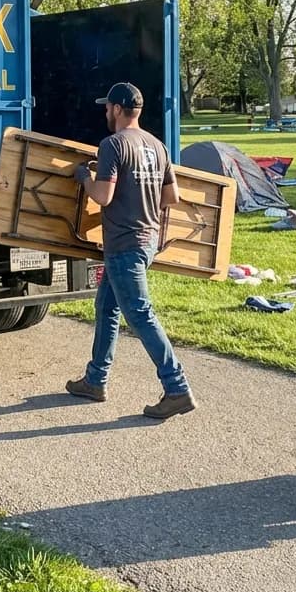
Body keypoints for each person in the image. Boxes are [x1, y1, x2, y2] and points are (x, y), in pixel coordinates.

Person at [65, 82, 196, 420]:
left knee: (139, 314)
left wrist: (84, 177)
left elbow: (104, 197)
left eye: (108, 108)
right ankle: (95, 380)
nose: (106, 113)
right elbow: (172, 198)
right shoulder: (157, 145)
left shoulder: (113, 145)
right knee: (107, 307)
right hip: (146, 241)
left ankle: (177, 388)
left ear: (119, 109)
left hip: (124, 244)